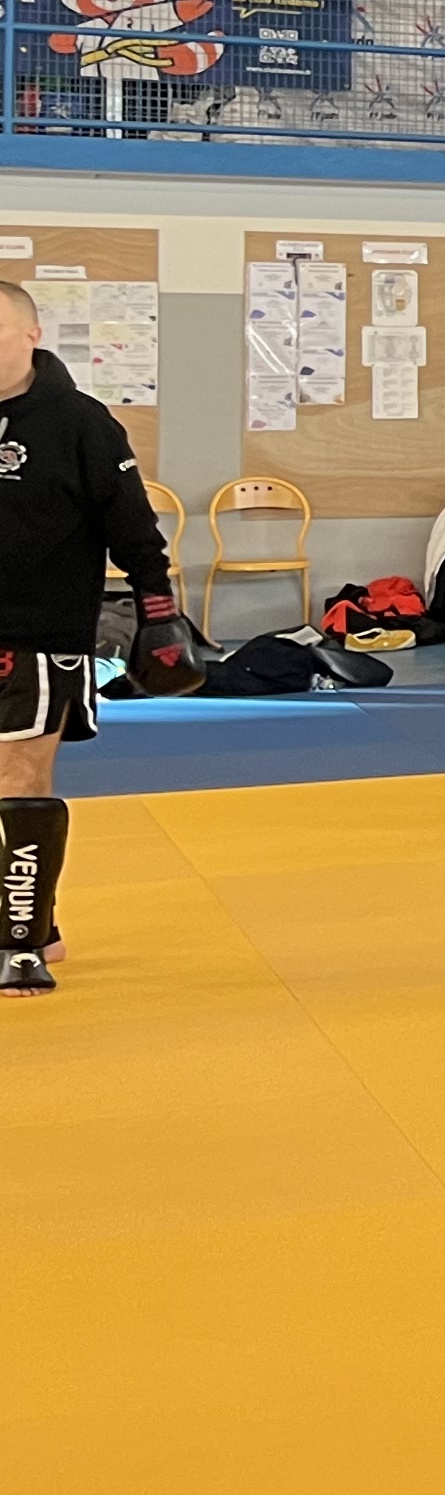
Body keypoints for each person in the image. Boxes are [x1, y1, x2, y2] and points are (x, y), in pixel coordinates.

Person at [0, 282, 196, 994]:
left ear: (32, 335)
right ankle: (40, 923)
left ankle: (20, 942)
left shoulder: (80, 422)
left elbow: (134, 529)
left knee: (19, 779)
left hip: (39, 634)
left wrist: (159, 615)